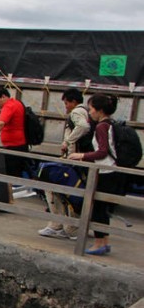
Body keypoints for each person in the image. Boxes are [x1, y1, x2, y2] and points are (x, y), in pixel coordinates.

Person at [68, 94, 125, 255]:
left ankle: (99, 243)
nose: (90, 112)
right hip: (111, 171)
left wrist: (82, 156)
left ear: (99, 110)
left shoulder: (101, 126)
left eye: (91, 108)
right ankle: (104, 242)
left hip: (106, 172)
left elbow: (102, 151)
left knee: (98, 209)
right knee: (101, 208)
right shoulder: (110, 124)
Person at [38, 89, 92, 239]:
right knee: (73, 192)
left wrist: (68, 141)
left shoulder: (76, 112)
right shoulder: (88, 112)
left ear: (74, 102)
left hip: (74, 160)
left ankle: (61, 226)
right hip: (83, 161)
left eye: (67, 103)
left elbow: (83, 127)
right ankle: (67, 226)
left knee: (58, 190)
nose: (66, 106)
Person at [0, 86, 28, 179]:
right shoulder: (17, 103)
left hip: (14, 146)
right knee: (17, 173)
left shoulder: (9, 106)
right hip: (20, 144)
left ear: (3, 96)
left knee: (10, 175)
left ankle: (9, 192)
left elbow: (0, 123)